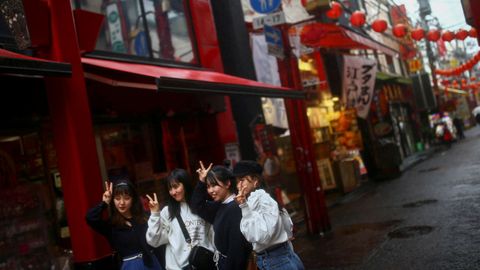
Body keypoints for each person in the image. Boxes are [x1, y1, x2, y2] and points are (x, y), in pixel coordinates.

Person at [233, 160, 304, 270]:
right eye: (237, 182)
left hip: (276, 262)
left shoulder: (261, 200)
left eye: (242, 180)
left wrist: (244, 207)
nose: (239, 185)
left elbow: (260, 235)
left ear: (255, 181)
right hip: (282, 257)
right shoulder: (262, 198)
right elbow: (287, 226)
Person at [145, 169, 215, 270]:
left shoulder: (201, 206)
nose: (173, 192)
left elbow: (212, 235)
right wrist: (155, 214)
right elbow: (153, 241)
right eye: (170, 189)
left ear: (185, 184)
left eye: (176, 186)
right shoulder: (167, 212)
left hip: (204, 265)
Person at [86, 180, 162, 270]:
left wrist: (155, 213)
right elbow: (90, 217)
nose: (122, 203)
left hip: (152, 264)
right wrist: (104, 203)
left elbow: (158, 240)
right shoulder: (111, 225)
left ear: (133, 199)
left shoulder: (145, 218)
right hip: (130, 266)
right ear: (113, 200)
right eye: (117, 198)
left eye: (126, 198)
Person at [190, 161, 252, 270]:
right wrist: (201, 181)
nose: (210, 190)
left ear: (228, 183)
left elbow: (236, 250)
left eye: (214, 185)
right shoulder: (221, 205)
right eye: (208, 186)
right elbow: (197, 205)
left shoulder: (234, 208)